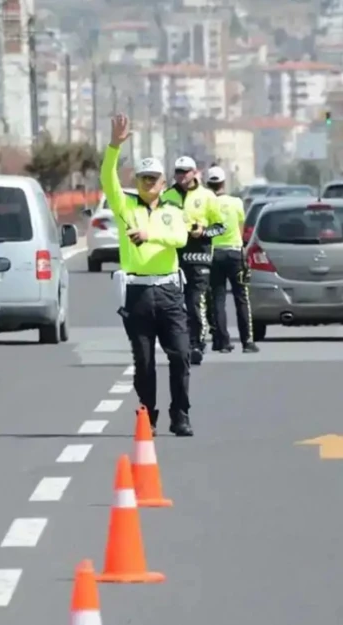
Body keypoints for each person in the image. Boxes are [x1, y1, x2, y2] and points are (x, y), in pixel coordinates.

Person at [102, 114, 194, 437]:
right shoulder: (125, 206)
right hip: (138, 294)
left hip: (169, 292)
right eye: (143, 178)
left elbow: (181, 239)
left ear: (163, 184)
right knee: (143, 362)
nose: (148, 183)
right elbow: (107, 179)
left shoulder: (172, 212)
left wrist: (150, 235)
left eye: (153, 178)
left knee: (180, 354)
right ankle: (148, 416)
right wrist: (114, 145)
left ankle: (180, 414)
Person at [160, 156, 224, 365]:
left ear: (195, 172)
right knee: (175, 305)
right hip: (173, 258)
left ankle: (197, 344)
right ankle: (179, 343)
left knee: (195, 302)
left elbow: (221, 226)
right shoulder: (167, 196)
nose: (182, 175)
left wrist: (203, 232)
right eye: (178, 171)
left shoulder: (207, 196)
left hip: (200, 257)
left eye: (186, 171)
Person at [206, 166, 259, 353]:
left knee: (217, 298)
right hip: (235, 254)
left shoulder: (206, 203)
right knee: (241, 297)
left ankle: (222, 341)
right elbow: (241, 227)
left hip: (214, 254)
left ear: (208, 184)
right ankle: (247, 341)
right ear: (223, 183)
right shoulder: (236, 202)